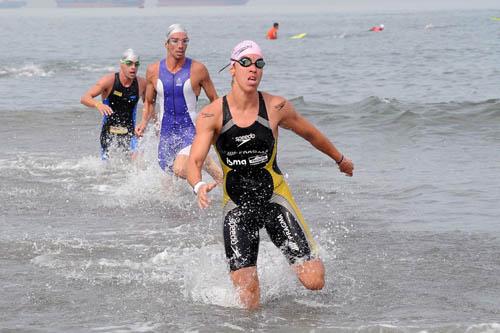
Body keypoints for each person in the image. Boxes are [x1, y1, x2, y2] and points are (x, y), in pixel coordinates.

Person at [187, 40, 354, 310]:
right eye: (245, 63)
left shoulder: (276, 107)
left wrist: (340, 159)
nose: (253, 68)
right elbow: (194, 161)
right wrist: (198, 186)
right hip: (237, 208)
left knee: (314, 281)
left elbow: (310, 134)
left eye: (258, 63)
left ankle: (290, 254)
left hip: (274, 200)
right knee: (249, 303)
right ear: (232, 68)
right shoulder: (212, 114)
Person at [135, 23, 222, 183]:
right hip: (165, 134)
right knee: (168, 188)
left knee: (181, 169)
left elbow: (215, 101)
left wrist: (216, 126)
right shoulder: (153, 70)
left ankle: (203, 163)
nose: (180, 45)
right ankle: (222, 186)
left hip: (190, 130)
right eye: (175, 41)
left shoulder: (198, 69)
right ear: (166, 43)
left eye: (185, 41)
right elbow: (149, 102)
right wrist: (143, 122)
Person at [81, 49, 146, 160]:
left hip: (130, 134)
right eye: (129, 63)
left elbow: (149, 104)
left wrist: (145, 122)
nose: (133, 67)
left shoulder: (141, 83)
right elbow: (85, 98)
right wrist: (98, 104)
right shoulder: (109, 81)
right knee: (107, 170)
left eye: (136, 64)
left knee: (137, 162)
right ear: (121, 64)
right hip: (108, 133)